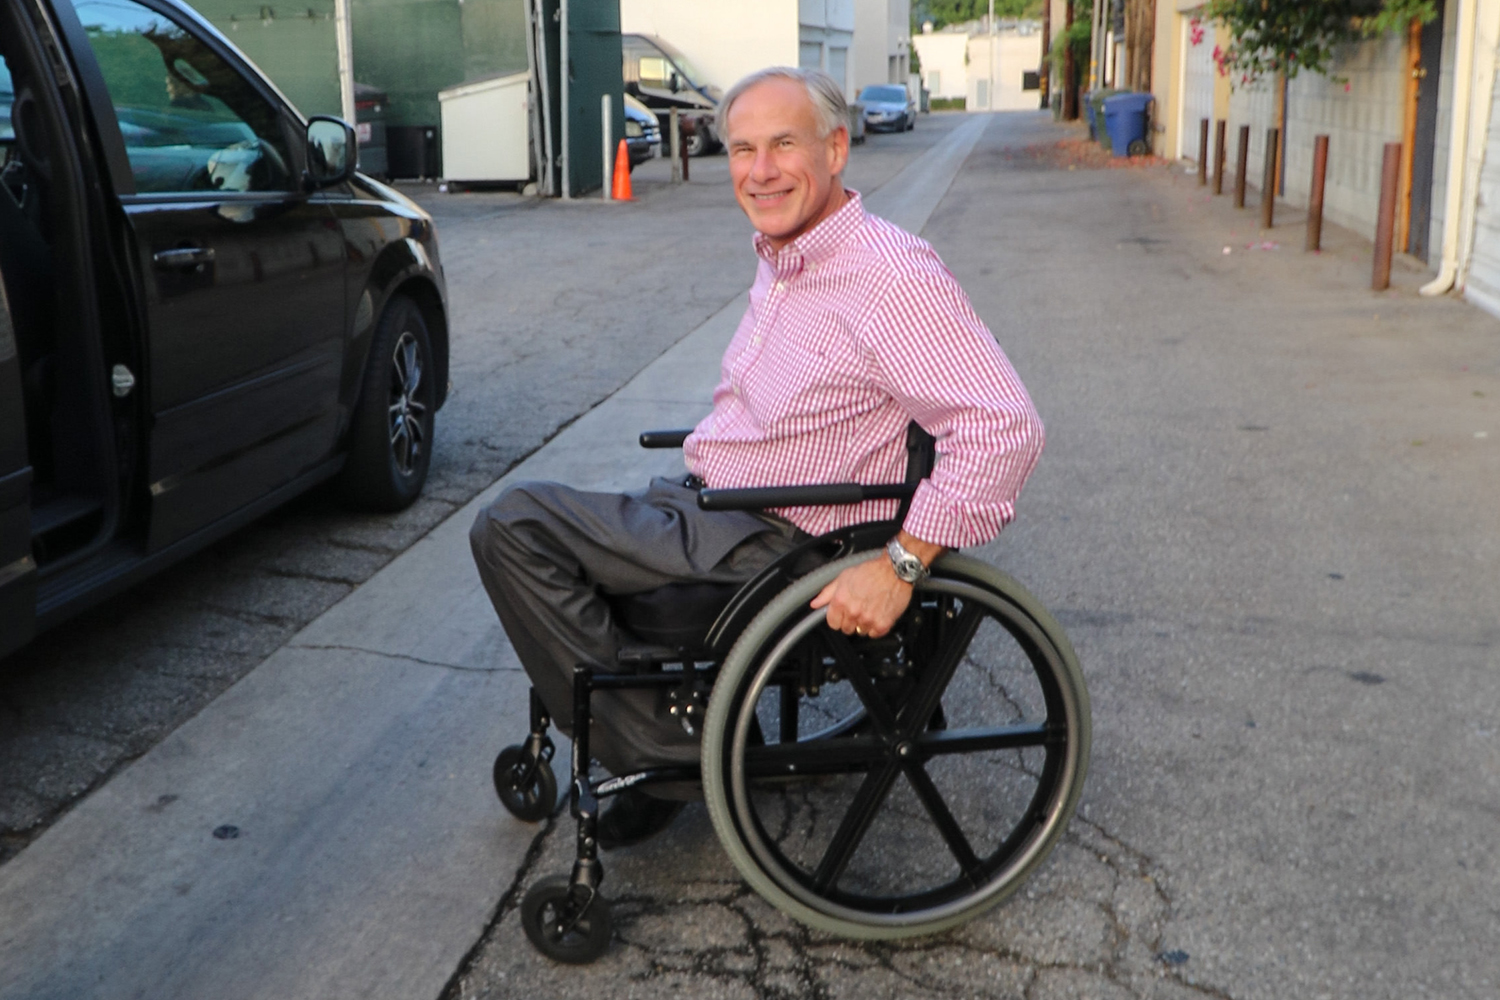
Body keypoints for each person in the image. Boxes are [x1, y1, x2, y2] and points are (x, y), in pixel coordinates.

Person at [470, 66, 1043, 849]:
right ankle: (647, 736)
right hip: (713, 505)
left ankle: (667, 753)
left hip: (766, 540)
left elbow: (1004, 425)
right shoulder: (791, 255)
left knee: (513, 524)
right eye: (742, 148)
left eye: (782, 144)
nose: (759, 169)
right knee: (551, 532)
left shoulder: (888, 276)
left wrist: (903, 564)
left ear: (836, 148)